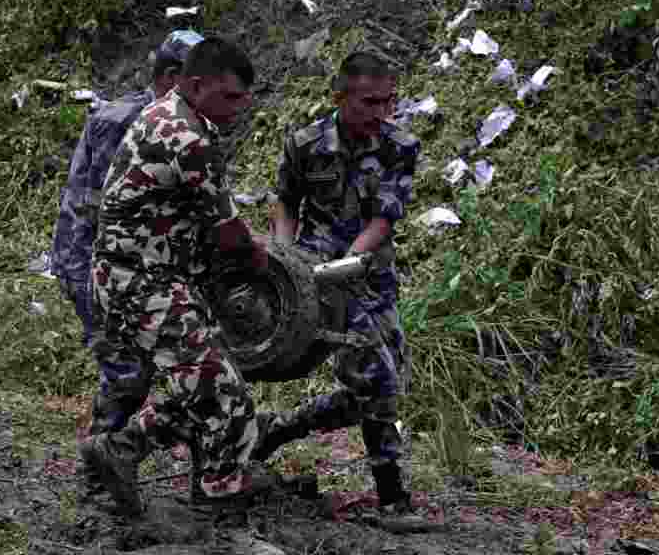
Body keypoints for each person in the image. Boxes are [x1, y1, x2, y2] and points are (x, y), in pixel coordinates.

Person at [77, 36, 274, 516]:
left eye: (243, 98)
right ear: (194, 82)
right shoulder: (189, 139)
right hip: (142, 285)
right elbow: (228, 233)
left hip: (138, 278)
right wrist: (268, 265)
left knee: (207, 385)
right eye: (229, 97)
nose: (238, 108)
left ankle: (123, 448)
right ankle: (223, 520)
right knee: (228, 401)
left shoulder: (166, 111)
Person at [256, 50, 419, 513]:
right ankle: (392, 498)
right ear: (340, 97)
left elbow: (384, 218)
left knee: (378, 388)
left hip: (369, 277)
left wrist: (349, 261)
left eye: (388, 102)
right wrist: (284, 259)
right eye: (369, 102)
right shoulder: (305, 142)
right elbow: (285, 201)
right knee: (379, 383)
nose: (381, 113)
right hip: (314, 282)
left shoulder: (399, 146)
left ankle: (280, 428)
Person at [49, 30, 203, 440]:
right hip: (91, 264)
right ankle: (99, 473)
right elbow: (97, 211)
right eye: (200, 79)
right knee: (128, 373)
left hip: (136, 267)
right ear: (172, 77)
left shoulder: (180, 125)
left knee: (163, 364)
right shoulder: (119, 122)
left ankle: (111, 458)